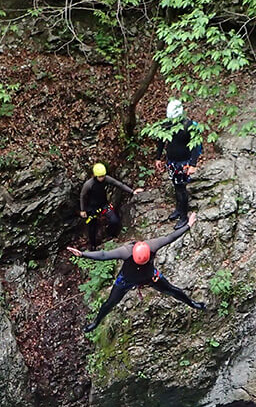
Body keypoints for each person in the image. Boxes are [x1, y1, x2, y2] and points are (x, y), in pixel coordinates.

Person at [67, 212, 205, 331]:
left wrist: (188, 225)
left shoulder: (152, 246)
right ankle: (95, 323)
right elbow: (104, 255)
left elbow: (171, 237)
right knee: (110, 303)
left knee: (173, 290)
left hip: (150, 276)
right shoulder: (125, 252)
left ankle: (192, 303)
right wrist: (83, 254)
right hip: (126, 280)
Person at [155, 99, 203, 229]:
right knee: (175, 185)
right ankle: (178, 209)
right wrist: (158, 158)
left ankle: (183, 216)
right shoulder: (166, 124)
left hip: (184, 162)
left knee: (181, 188)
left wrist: (193, 164)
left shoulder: (188, 126)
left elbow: (195, 146)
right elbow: (160, 140)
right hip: (171, 161)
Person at [79, 163, 142, 250]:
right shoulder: (89, 184)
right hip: (92, 208)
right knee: (92, 227)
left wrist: (132, 191)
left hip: (104, 205)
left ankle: (109, 235)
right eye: (100, 176)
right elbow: (82, 196)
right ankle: (93, 245)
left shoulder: (106, 179)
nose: (102, 178)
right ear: (95, 175)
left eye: (103, 176)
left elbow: (118, 184)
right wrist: (83, 210)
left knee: (114, 221)